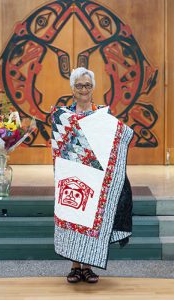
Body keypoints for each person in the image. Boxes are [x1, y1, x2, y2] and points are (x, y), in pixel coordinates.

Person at [51, 67, 133, 284]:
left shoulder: (102, 116)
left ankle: (87, 267)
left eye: (88, 85)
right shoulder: (63, 117)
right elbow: (58, 149)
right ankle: (74, 266)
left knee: (90, 220)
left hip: (95, 179)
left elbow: (116, 137)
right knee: (72, 217)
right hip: (71, 177)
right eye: (79, 86)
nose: (84, 89)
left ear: (93, 88)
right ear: (72, 89)